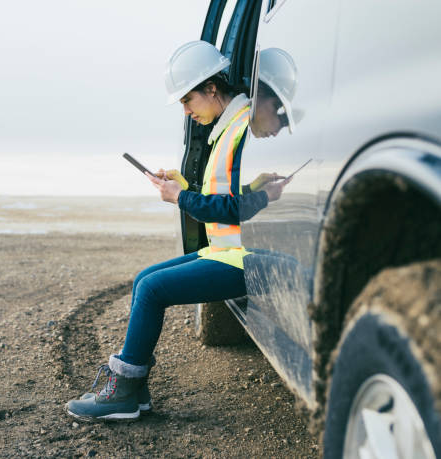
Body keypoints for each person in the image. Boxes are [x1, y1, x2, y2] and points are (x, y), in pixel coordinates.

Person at [65, 42, 299, 421]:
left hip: (243, 257)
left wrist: (180, 198)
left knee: (152, 290)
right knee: (145, 279)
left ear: (211, 89)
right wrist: (186, 187)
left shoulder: (241, 127)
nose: (188, 113)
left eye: (189, 101)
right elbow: (231, 197)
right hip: (226, 250)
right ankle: (135, 393)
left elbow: (234, 210)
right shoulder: (229, 127)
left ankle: (123, 392)